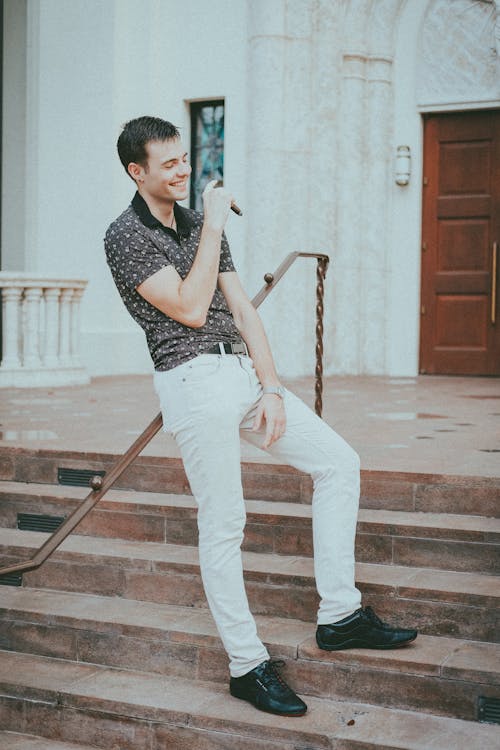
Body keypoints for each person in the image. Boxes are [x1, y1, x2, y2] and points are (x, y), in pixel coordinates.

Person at [105, 115, 417, 718]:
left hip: (242, 376)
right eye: (168, 163)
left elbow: (243, 309)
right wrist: (215, 221)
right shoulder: (125, 236)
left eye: (184, 159)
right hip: (191, 383)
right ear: (136, 171)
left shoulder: (198, 222)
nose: (183, 170)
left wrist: (271, 387)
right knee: (224, 524)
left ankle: (340, 613)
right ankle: (247, 665)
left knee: (338, 464)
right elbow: (193, 310)